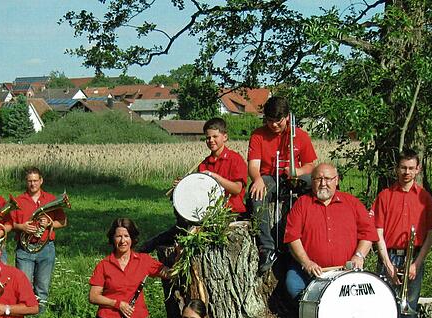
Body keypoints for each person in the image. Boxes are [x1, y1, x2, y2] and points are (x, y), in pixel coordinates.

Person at [138, 117, 247, 253]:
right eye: (208, 138)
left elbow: (237, 189)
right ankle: (148, 248)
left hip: (229, 212)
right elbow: (197, 194)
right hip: (205, 213)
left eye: (215, 136)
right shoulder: (204, 163)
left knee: (190, 233)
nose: (211, 140)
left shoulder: (235, 159)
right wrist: (182, 186)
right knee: (180, 228)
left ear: (225, 137)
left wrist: (216, 177)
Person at [371, 149, 432, 318]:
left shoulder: (425, 198)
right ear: (396, 169)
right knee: (385, 307)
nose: (407, 172)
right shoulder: (384, 196)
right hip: (389, 255)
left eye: (411, 168)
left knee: (409, 310)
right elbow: (377, 232)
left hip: (414, 257)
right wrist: (387, 264)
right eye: (403, 168)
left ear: (418, 169)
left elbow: (431, 234)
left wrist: (417, 263)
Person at [283, 163, 377, 299]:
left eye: (328, 179)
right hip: (310, 271)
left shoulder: (352, 203)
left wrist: (359, 256)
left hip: (344, 271)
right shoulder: (302, 204)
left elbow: (368, 234)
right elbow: (292, 238)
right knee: (293, 285)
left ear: (336, 180)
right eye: (318, 179)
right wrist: (307, 263)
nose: (323, 183)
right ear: (312, 180)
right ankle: (305, 317)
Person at [247, 96, 318, 271]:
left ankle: (313, 236)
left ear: (287, 117)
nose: (274, 126)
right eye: (269, 121)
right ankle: (267, 248)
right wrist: (257, 180)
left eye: (278, 121)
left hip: (295, 177)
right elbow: (253, 166)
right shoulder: (258, 135)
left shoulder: (300, 135)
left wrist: (297, 172)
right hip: (269, 178)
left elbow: (311, 165)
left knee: (320, 185)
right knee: (255, 193)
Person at [89, 218, 170, 318]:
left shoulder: (143, 260)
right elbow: (94, 296)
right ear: (112, 238)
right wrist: (118, 304)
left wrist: (181, 255)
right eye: (118, 236)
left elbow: (166, 273)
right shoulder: (104, 265)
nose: (122, 241)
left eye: (126, 236)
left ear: (132, 238)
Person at [9, 167, 68, 313]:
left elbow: (63, 222)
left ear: (41, 181)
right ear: (26, 182)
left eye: (35, 180)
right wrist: (21, 227)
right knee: (24, 287)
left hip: (46, 248)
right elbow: (9, 225)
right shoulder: (18, 201)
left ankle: (40, 317)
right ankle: (26, 316)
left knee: (42, 287)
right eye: (29, 181)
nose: (32, 184)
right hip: (24, 249)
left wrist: (49, 224)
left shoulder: (50, 200)